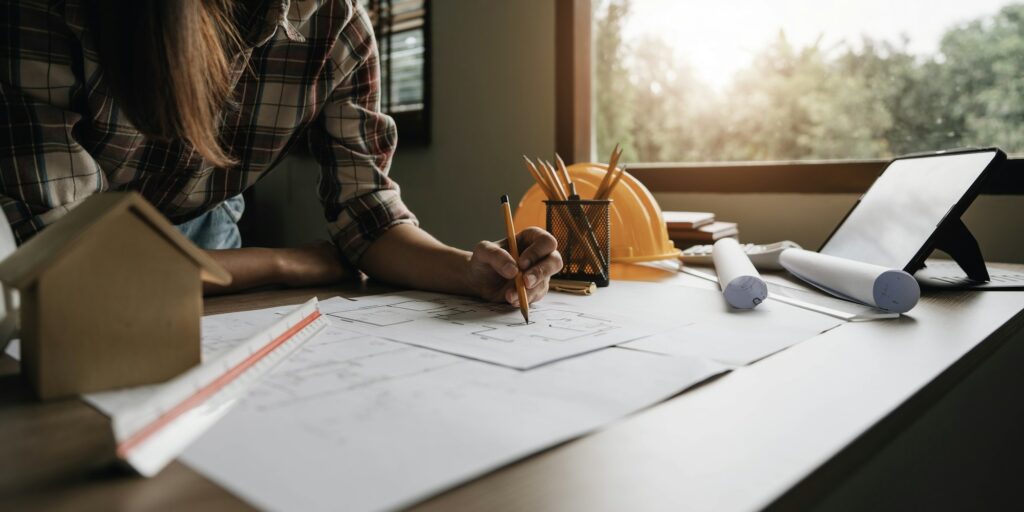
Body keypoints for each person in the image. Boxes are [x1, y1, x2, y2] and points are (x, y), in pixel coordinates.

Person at [0, 0, 562, 305]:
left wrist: (467, 271)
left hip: (205, 234)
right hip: (70, 262)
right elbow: (64, 253)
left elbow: (370, 218)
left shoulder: (340, 27)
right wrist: (280, 262)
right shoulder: (54, 11)